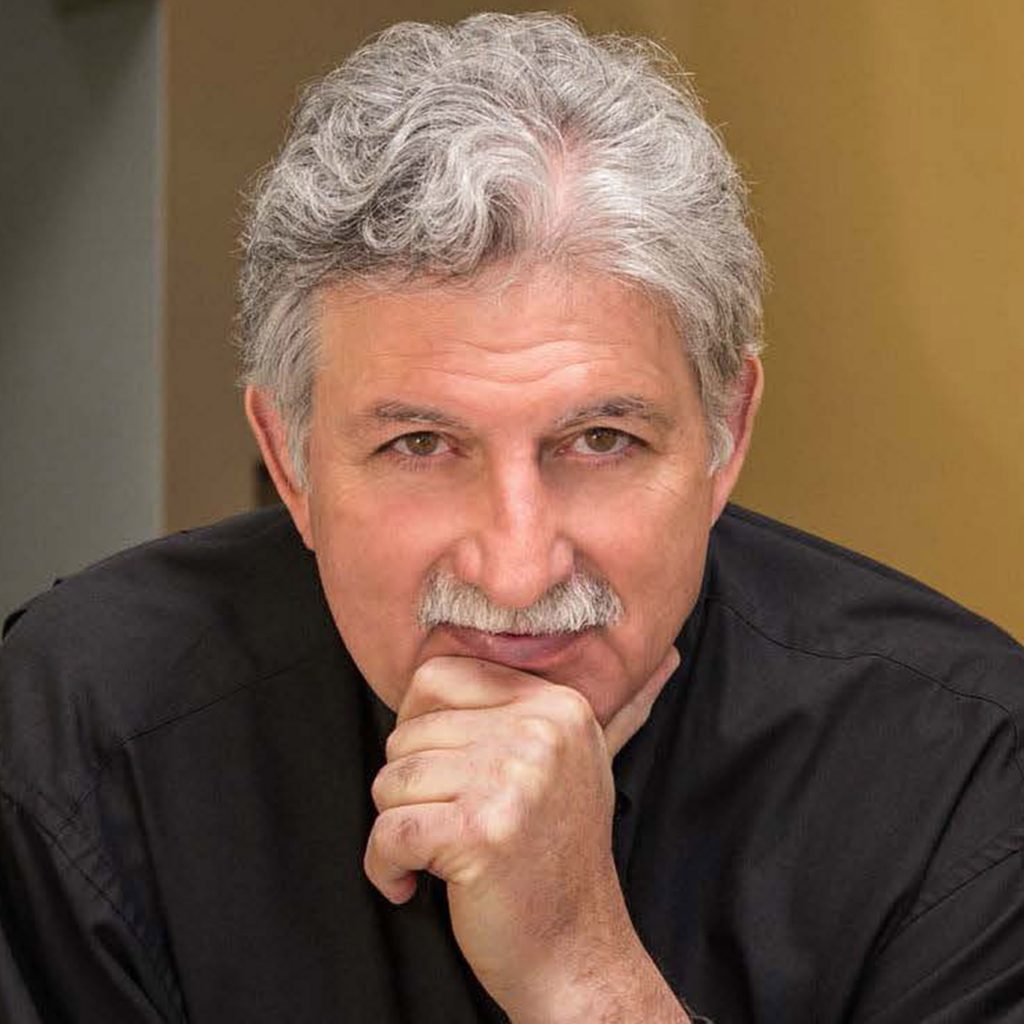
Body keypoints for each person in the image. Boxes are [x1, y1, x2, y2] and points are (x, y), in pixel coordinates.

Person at [1, 12, 1022, 1023]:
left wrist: (583, 975)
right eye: (420, 445)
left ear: (727, 433)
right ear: (289, 463)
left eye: (601, 440)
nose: (518, 571)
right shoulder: (87, 732)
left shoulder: (964, 768)